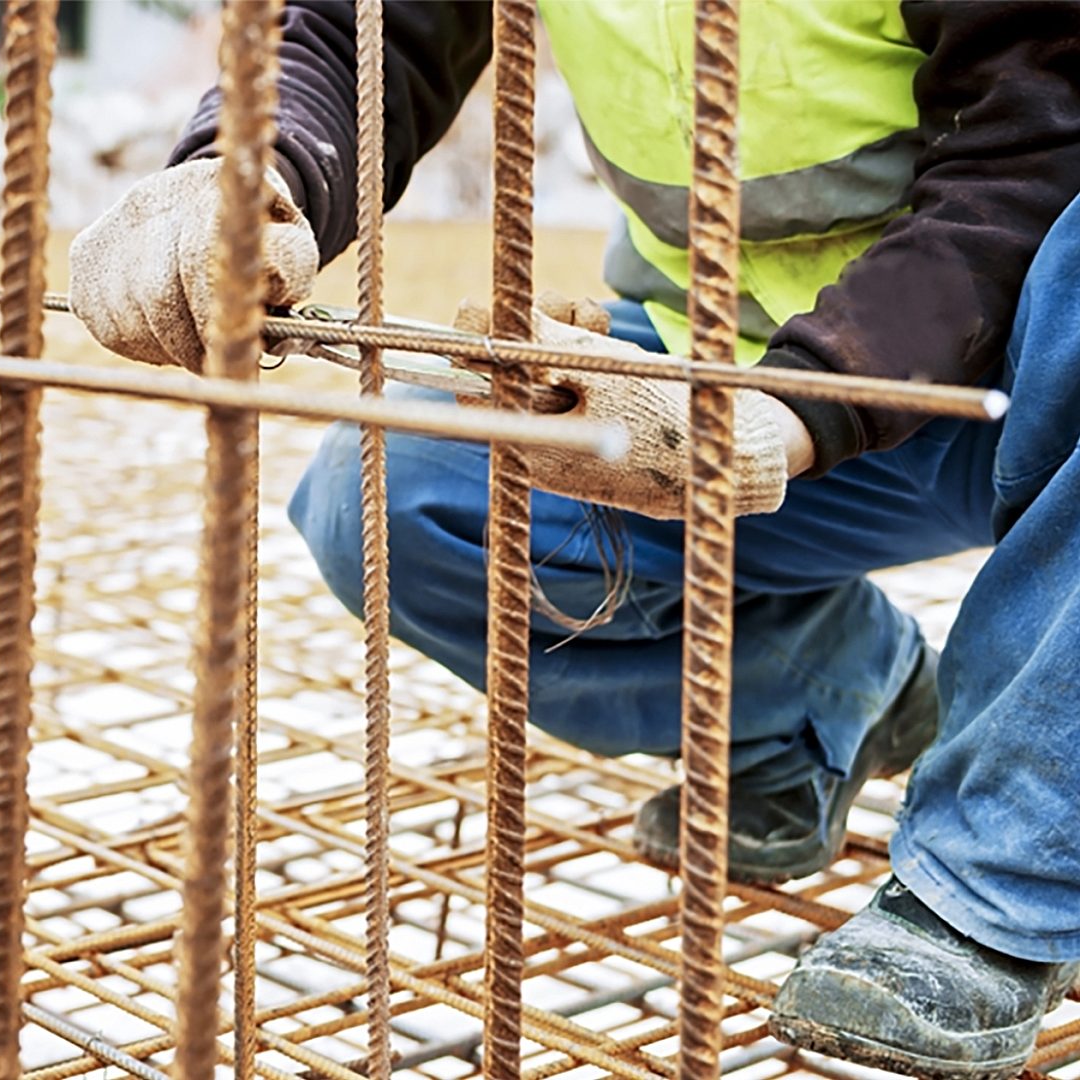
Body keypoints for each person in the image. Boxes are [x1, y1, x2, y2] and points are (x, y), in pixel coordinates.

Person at [66, 3, 1080, 1076]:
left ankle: (1000, 881)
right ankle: (829, 696)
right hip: (730, 357)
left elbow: (1044, 125)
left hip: (1015, 367)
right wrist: (245, 167)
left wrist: (788, 413)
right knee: (397, 503)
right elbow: (366, 28)